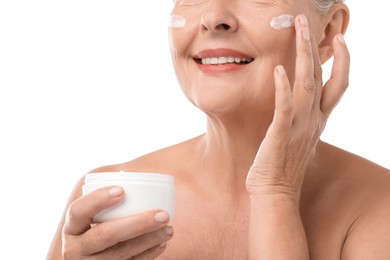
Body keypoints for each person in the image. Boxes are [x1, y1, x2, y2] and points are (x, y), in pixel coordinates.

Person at [47, 0, 390, 259]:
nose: (214, 18)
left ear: (328, 31)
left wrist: (275, 194)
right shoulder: (105, 198)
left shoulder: (378, 208)